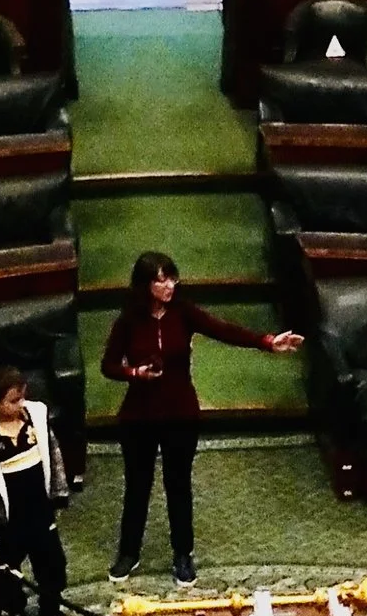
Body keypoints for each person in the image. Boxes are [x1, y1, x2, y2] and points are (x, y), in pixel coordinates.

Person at [100, 249, 301, 586]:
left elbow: (223, 329)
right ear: (144, 284)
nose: (169, 285)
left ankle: (183, 555)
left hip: (181, 413)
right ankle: (129, 553)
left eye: (171, 277)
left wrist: (266, 341)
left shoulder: (184, 312)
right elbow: (108, 366)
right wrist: (134, 372)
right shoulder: (128, 321)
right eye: (160, 279)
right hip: (139, 417)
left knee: (178, 484)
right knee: (137, 485)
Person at [0, 364, 69, 616]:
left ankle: (51, 608)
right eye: (13, 401)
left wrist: (59, 491)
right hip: (9, 522)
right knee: (7, 572)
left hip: (40, 512)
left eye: (22, 396)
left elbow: (54, 456)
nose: (21, 403)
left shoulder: (36, 420)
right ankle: (16, 612)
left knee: (52, 563)